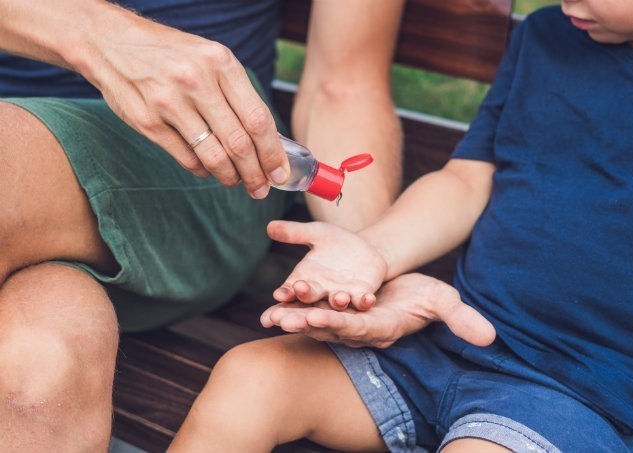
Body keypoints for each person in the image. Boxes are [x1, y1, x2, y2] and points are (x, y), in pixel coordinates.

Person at [169, 1, 633, 452]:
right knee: (252, 377)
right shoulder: (546, 37)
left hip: (576, 393)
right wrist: (373, 252)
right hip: (443, 342)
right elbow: (466, 179)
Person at [0, 0, 405, 450]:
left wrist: (374, 257)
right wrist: (97, 36)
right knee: (38, 380)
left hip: (205, 144)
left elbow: (344, 83)